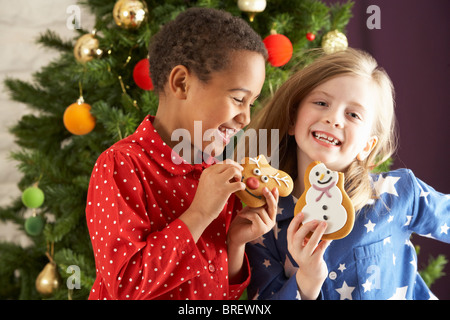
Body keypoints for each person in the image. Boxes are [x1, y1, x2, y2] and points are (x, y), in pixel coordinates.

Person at [85, 8, 279, 300]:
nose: (246, 118)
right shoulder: (121, 165)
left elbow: (223, 294)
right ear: (181, 83)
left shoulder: (217, 176)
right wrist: (199, 214)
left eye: (251, 103)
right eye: (239, 99)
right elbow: (124, 286)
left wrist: (235, 244)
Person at [245, 48, 449, 300]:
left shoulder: (398, 193)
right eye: (321, 103)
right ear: (292, 119)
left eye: (353, 114)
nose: (333, 119)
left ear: (367, 146)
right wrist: (307, 281)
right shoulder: (263, 224)